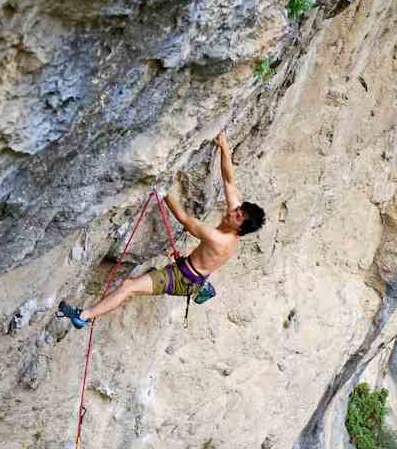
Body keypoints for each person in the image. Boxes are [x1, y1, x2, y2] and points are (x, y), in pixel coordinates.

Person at [58, 132, 265, 327]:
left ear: (240, 229)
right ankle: (202, 285)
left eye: (237, 217)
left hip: (181, 280)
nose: (232, 212)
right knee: (131, 285)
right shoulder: (235, 220)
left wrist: (164, 191)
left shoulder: (218, 238)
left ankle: (83, 317)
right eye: (237, 210)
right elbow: (229, 181)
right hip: (190, 270)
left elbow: (185, 219)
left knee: (128, 287)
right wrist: (224, 144)